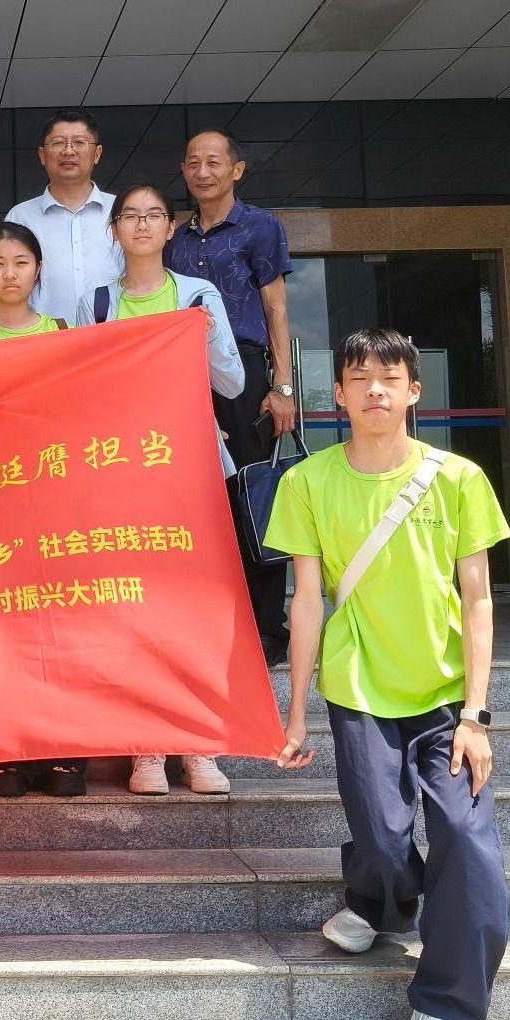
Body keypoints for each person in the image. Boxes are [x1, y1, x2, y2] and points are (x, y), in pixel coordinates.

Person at [269, 329, 510, 1020]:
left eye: (389, 376)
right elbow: (306, 600)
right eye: (359, 377)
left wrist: (476, 714)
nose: (374, 388)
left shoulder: (459, 478)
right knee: (379, 835)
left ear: (413, 391)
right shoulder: (307, 482)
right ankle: (379, 900)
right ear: (338, 395)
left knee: (466, 842)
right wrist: (295, 711)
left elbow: (478, 598)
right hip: (359, 687)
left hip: (445, 697)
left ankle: (445, 1007)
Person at [78, 180, 244, 798]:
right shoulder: (97, 303)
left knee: (195, 611)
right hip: (123, 478)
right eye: (130, 216)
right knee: (135, 614)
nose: (142, 225)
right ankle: (146, 748)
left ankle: (200, 746)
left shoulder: (198, 295)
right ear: (114, 229)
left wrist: (204, 336)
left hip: (191, 473)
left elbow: (232, 382)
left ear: (171, 229)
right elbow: (82, 391)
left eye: (154, 216)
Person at [0, 222, 84, 798]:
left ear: (38, 270)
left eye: (21, 262)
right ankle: (3, 752)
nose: (10, 273)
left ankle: (63, 751)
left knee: (56, 629)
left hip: (49, 502)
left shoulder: (63, 335)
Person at [169, 129, 297, 666]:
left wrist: (283, 385)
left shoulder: (260, 226)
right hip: (181, 372)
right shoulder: (174, 237)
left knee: (254, 495)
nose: (202, 172)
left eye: (213, 162)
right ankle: (213, 623)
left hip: (244, 372)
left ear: (236, 170)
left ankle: (268, 628)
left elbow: (276, 308)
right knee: (199, 501)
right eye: (193, 163)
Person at [5, 109, 122, 323]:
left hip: (114, 337)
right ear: (42, 155)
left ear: (97, 154)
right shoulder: (20, 218)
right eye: (58, 143)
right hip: (44, 339)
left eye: (79, 142)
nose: (68, 151)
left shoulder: (122, 211)